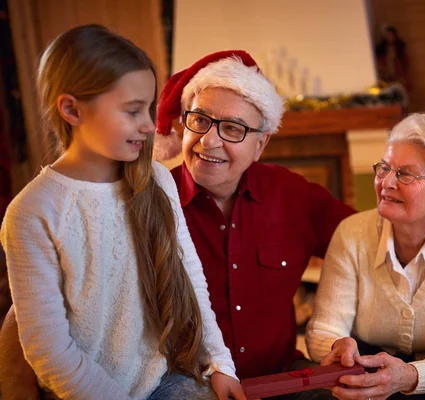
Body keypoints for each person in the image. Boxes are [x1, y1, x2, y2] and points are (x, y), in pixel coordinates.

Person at [0, 25, 242, 400]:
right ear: (71, 109)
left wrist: (220, 363)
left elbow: (191, 277)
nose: (149, 125)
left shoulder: (157, 180)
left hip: (164, 381)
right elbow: (47, 350)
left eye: (148, 108)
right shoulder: (33, 212)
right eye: (132, 111)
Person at [152, 50, 356, 381]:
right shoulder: (154, 202)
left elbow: (365, 244)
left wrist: (338, 334)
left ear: (260, 144)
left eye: (232, 129)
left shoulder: (293, 194)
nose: (209, 140)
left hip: (281, 376)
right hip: (189, 383)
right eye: (200, 120)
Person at [306, 113, 425, 399]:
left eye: (405, 173)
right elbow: (323, 330)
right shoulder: (351, 232)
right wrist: (338, 346)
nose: (386, 182)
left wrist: (410, 376)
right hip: (369, 368)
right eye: (384, 168)